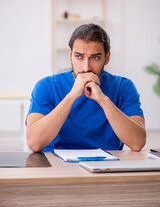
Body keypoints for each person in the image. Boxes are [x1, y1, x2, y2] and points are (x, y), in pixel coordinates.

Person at [26, 23, 146, 152]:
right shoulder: (47, 86)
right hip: (56, 165)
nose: (86, 67)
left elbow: (137, 143)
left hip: (107, 166)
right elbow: (34, 143)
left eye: (95, 58)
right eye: (79, 57)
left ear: (107, 58)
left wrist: (103, 100)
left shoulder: (124, 87)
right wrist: (71, 96)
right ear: (70, 55)